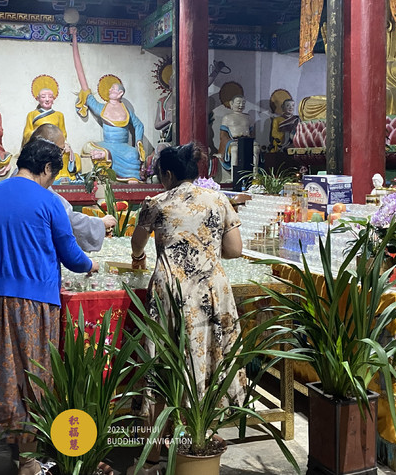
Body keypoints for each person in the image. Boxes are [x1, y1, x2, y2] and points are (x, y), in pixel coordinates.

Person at [0, 138, 98, 475]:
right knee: (31, 378)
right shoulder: (48, 201)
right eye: (54, 175)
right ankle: (27, 462)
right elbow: (72, 256)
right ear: (47, 168)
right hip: (31, 303)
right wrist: (91, 264)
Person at [130, 143, 247, 470]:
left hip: (172, 291)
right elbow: (235, 250)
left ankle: (154, 453)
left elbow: (137, 243)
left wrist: (139, 257)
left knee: (163, 365)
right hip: (211, 291)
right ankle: (200, 436)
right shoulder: (219, 200)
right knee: (207, 360)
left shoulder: (156, 203)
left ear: (167, 174)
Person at [70, 26, 145, 181]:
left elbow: (138, 125)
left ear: (120, 93)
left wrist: (138, 142)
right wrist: (75, 42)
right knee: (89, 148)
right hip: (107, 144)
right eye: (110, 88)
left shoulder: (126, 110)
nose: (110, 90)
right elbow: (84, 86)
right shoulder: (102, 108)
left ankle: (131, 179)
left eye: (113, 89)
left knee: (133, 154)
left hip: (123, 147)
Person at [30, 123, 117, 251]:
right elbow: (66, 220)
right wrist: (100, 224)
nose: (62, 154)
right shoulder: (41, 190)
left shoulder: (7, 185)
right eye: (61, 150)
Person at [21, 75, 81, 183]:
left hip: (56, 144)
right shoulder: (32, 114)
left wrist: (63, 142)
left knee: (66, 154)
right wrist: (41, 135)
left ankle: (60, 176)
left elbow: (63, 133)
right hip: (39, 145)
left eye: (50, 97)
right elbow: (27, 133)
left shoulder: (59, 115)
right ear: (38, 99)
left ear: (54, 99)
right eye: (43, 97)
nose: (47, 99)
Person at [217, 95, 254, 172]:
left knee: (255, 149)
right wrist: (230, 142)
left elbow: (252, 133)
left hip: (247, 141)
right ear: (231, 103)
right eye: (238, 102)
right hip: (233, 141)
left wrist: (251, 140)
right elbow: (223, 135)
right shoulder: (227, 117)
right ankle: (234, 174)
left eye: (243, 103)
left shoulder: (248, 117)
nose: (241, 105)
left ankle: (254, 172)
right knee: (235, 149)